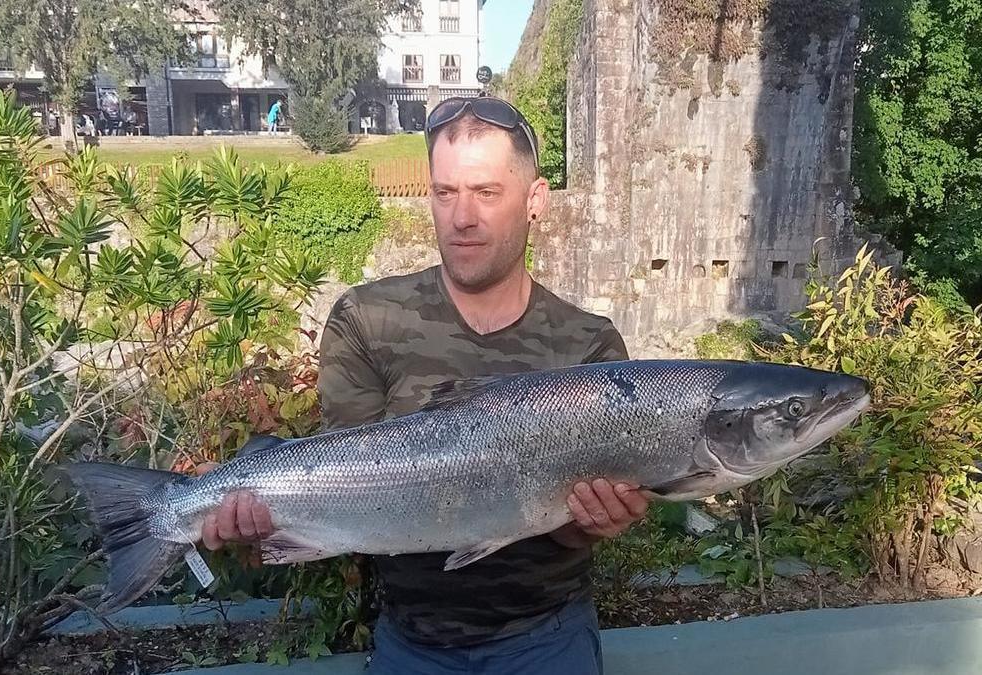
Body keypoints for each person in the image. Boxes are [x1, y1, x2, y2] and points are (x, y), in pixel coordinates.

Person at [200, 95, 648, 674]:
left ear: (534, 200)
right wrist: (258, 522)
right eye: (445, 192)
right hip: (411, 643)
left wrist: (592, 524)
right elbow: (345, 488)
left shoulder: (589, 346)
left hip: (546, 637)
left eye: (486, 193)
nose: (463, 216)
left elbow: (576, 528)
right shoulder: (367, 319)